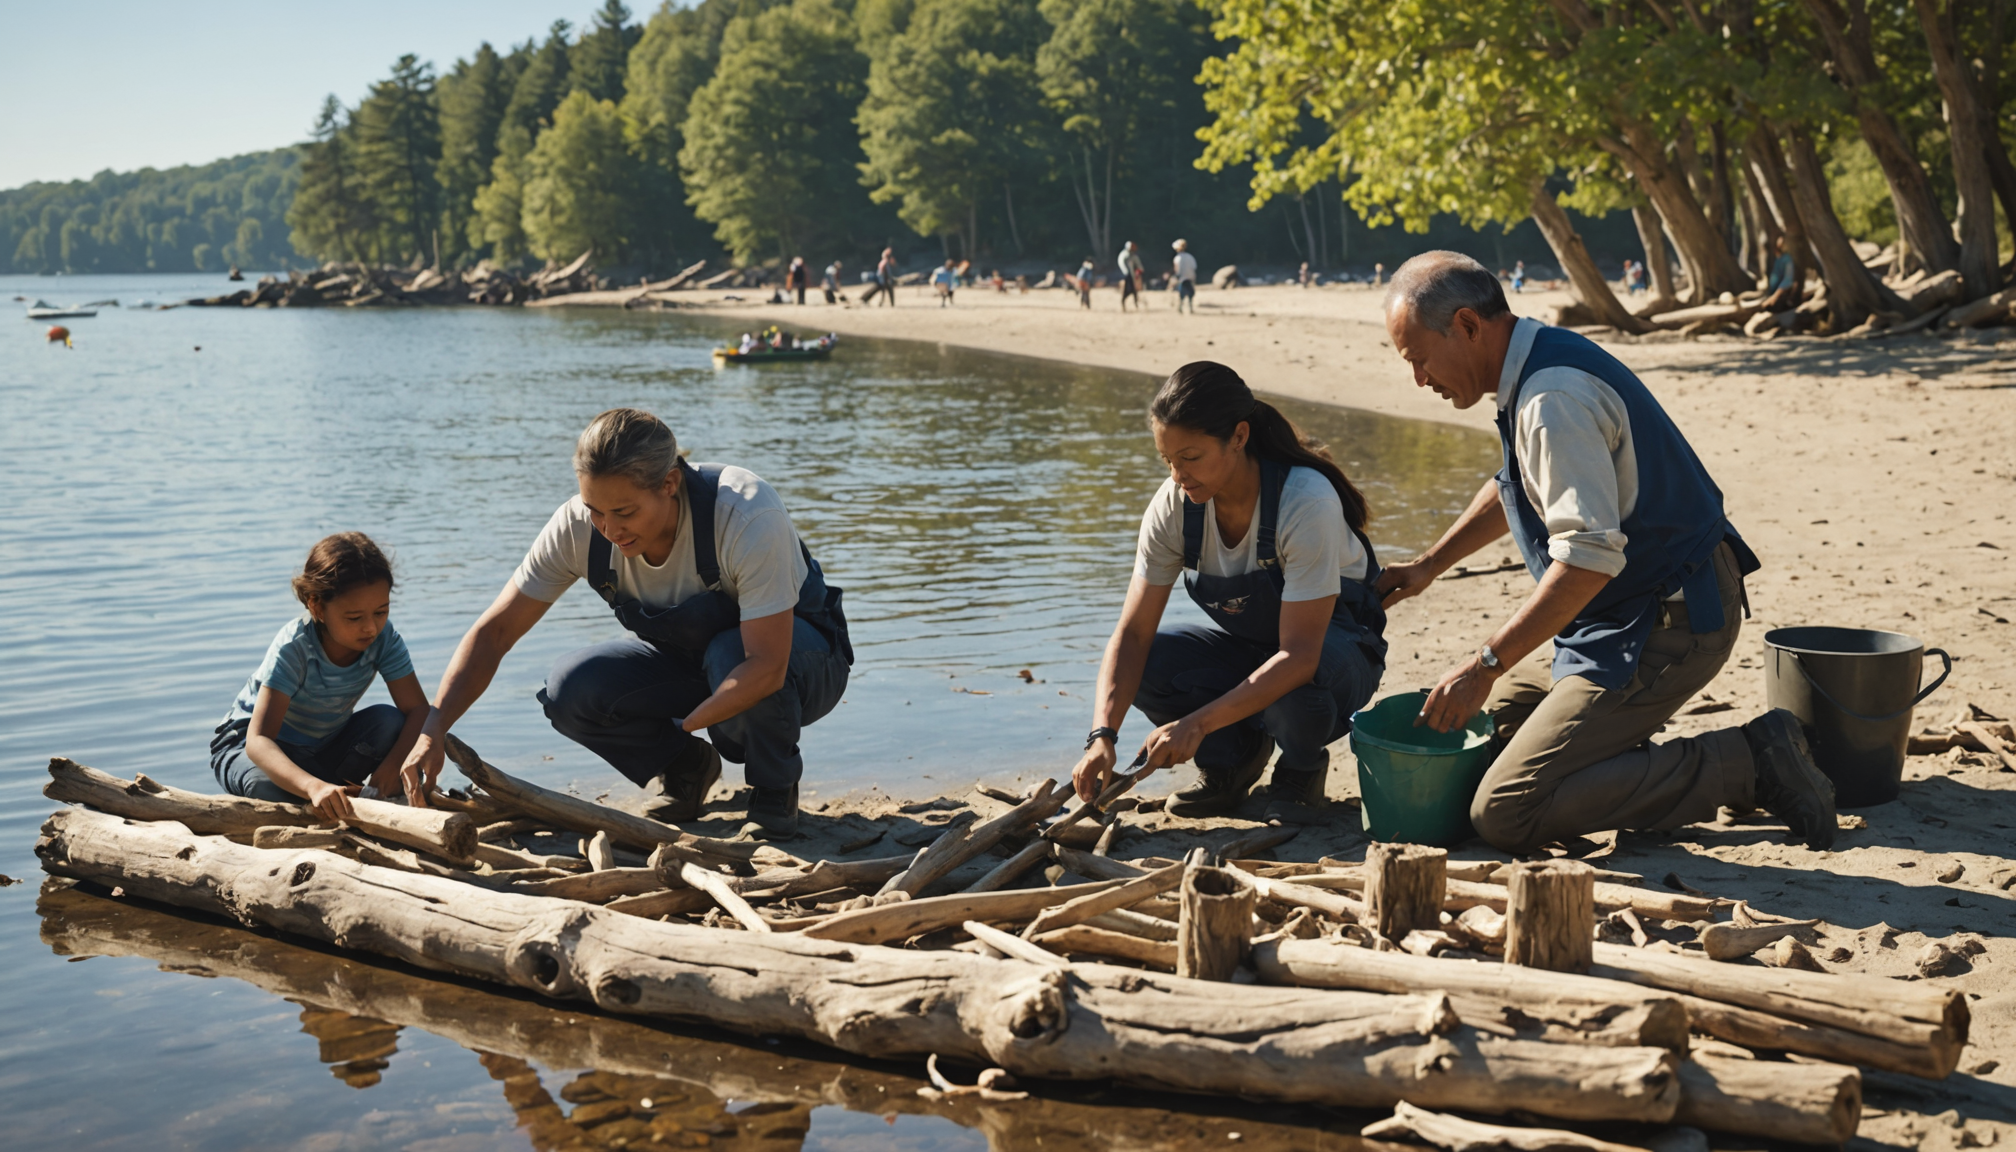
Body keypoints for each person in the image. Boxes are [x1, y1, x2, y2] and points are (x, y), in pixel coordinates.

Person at [1373, 251, 1836, 855]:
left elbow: (1588, 560)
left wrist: (1483, 666)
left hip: (1671, 624)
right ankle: (1614, 755)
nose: (1419, 379)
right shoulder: (1529, 362)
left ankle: (1748, 760)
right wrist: (1428, 565)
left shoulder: (1551, 401)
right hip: (1611, 621)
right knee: (1484, 739)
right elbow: (1518, 482)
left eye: (1418, 359)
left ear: (1466, 326)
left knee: (1505, 810)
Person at [397, 409, 853, 839]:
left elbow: (767, 664)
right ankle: (686, 769)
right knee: (571, 689)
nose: (607, 529)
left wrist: (693, 721)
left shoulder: (745, 514)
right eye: (594, 509)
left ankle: (774, 792)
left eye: (625, 512)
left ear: (670, 483)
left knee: (730, 656)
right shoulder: (579, 528)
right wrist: (433, 728)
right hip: (698, 668)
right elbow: (494, 633)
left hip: (801, 661)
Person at [1070, 362, 1388, 824]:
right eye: (1168, 460)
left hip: (1333, 655)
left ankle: (1301, 768)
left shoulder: (1305, 501)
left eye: (1191, 457)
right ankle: (1231, 761)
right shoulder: (1175, 507)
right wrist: (1102, 736)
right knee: (1151, 662)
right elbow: (1133, 635)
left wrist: (1195, 722)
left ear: (1238, 437)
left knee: (1295, 690)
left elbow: (1298, 656)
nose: (1178, 475)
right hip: (1258, 651)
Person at [211, 533, 431, 820]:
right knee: (263, 786)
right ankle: (323, 792)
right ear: (316, 606)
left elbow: (418, 710)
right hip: (247, 748)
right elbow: (259, 740)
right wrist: (313, 786)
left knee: (390, 721)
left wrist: (392, 767)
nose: (370, 628)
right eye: (354, 618)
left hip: (321, 747)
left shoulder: (384, 639)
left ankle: (331, 793)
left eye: (381, 612)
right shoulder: (295, 648)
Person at [1760, 236, 1801, 312]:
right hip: (1773, 293)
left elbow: (1788, 280)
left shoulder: (1787, 259)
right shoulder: (1778, 258)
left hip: (1781, 297)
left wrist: (1775, 296)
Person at [1171, 239, 1198, 313]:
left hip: (1182, 279)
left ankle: (1180, 308)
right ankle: (1190, 308)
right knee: (1190, 294)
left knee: (1181, 294)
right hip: (1190, 278)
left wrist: (1176, 277)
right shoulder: (1190, 257)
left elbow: (1177, 270)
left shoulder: (1177, 258)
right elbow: (1194, 267)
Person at [1117, 241, 1143, 312]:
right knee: (1126, 291)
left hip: (1131, 276)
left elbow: (1139, 265)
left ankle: (1136, 305)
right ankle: (1123, 305)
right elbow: (1121, 264)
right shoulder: (1124, 255)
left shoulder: (1133, 256)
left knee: (1134, 291)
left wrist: (1139, 271)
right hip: (1126, 276)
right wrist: (1126, 272)